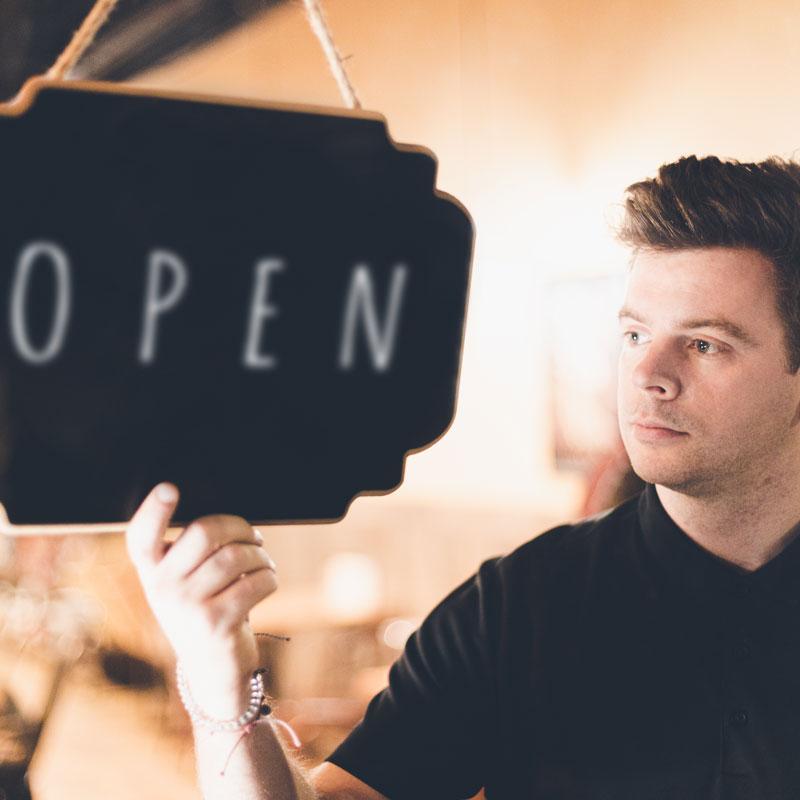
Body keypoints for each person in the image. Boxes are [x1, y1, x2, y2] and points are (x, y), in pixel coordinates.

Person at [126, 154, 800, 799]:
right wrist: (222, 681)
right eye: (633, 335)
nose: (647, 374)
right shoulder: (516, 607)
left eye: (705, 342)